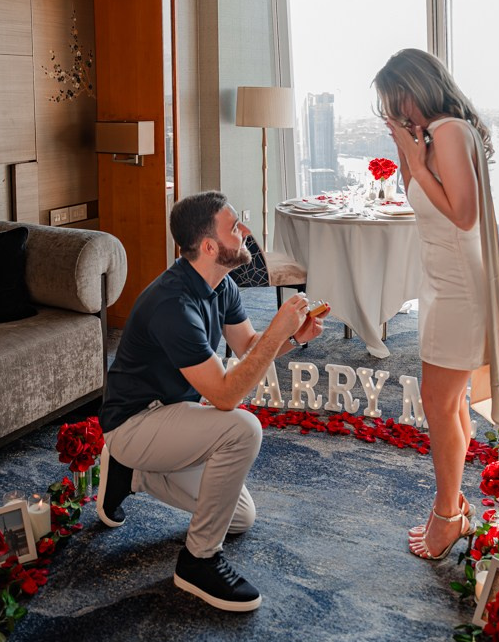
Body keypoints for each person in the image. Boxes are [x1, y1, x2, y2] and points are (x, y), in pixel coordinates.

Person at [97, 190, 328, 612]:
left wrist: (291, 337)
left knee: (241, 518)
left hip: (174, 416)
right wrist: (279, 330)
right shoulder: (173, 303)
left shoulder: (221, 285)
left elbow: (250, 347)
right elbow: (223, 395)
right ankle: (198, 561)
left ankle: (132, 476)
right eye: (234, 226)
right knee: (242, 427)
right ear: (208, 246)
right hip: (134, 423)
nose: (245, 231)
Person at [373, 48, 499, 560]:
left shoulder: (448, 131)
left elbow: (465, 215)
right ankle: (454, 504)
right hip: (442, 281)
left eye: (397, 99)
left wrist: (411, 157)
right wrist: (412, 151)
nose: (395, 112)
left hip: (457, 286)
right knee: (447, 401)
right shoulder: (438, 134)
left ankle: (447, 515)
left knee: (437, 400)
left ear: (418, 88)